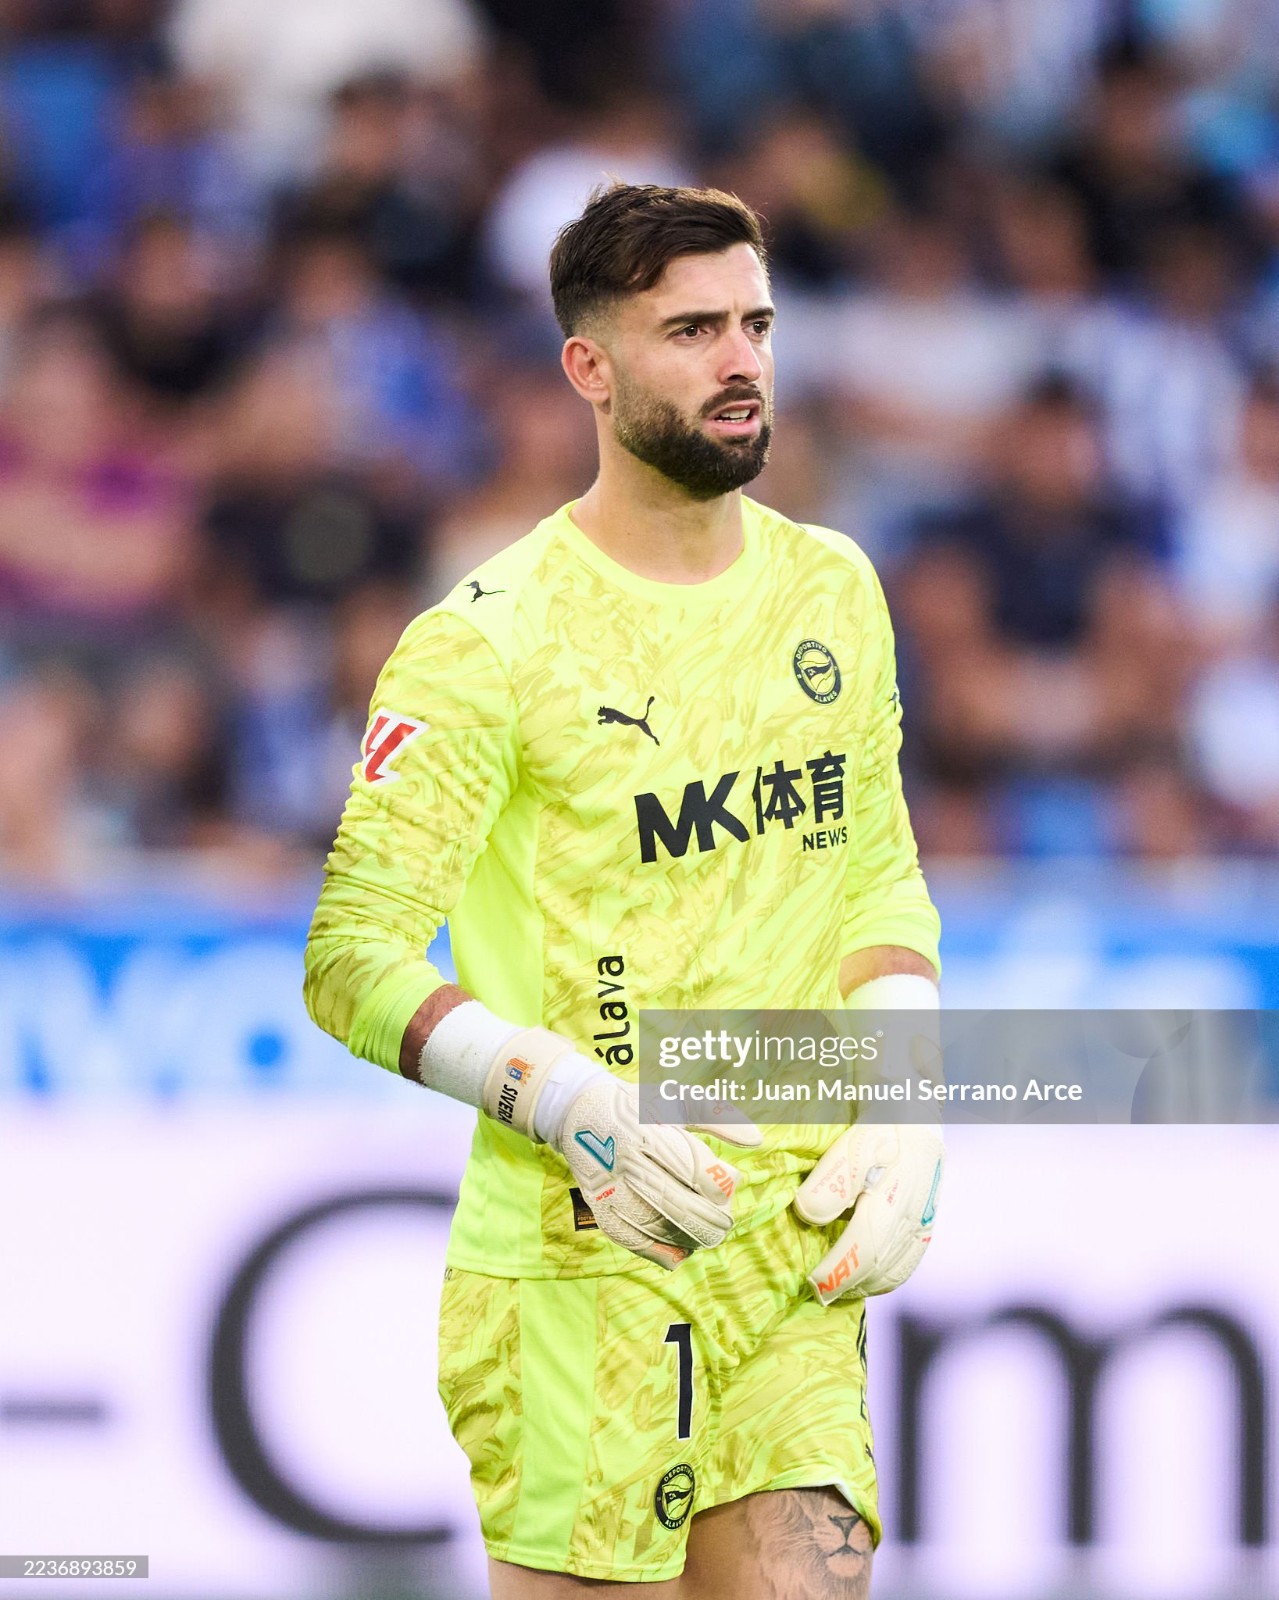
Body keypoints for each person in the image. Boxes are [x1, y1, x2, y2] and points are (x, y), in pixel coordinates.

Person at [305, 182, 943, 1597]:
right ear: (588, 368)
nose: (740, 361)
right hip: (580, 1263)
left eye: (758, 324)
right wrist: (565, 1098)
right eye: (692, 329)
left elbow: (876, 874)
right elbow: (349, 956)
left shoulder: (833, 590)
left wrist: (907, 1087)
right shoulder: (488, 644)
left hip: (786, 1263)